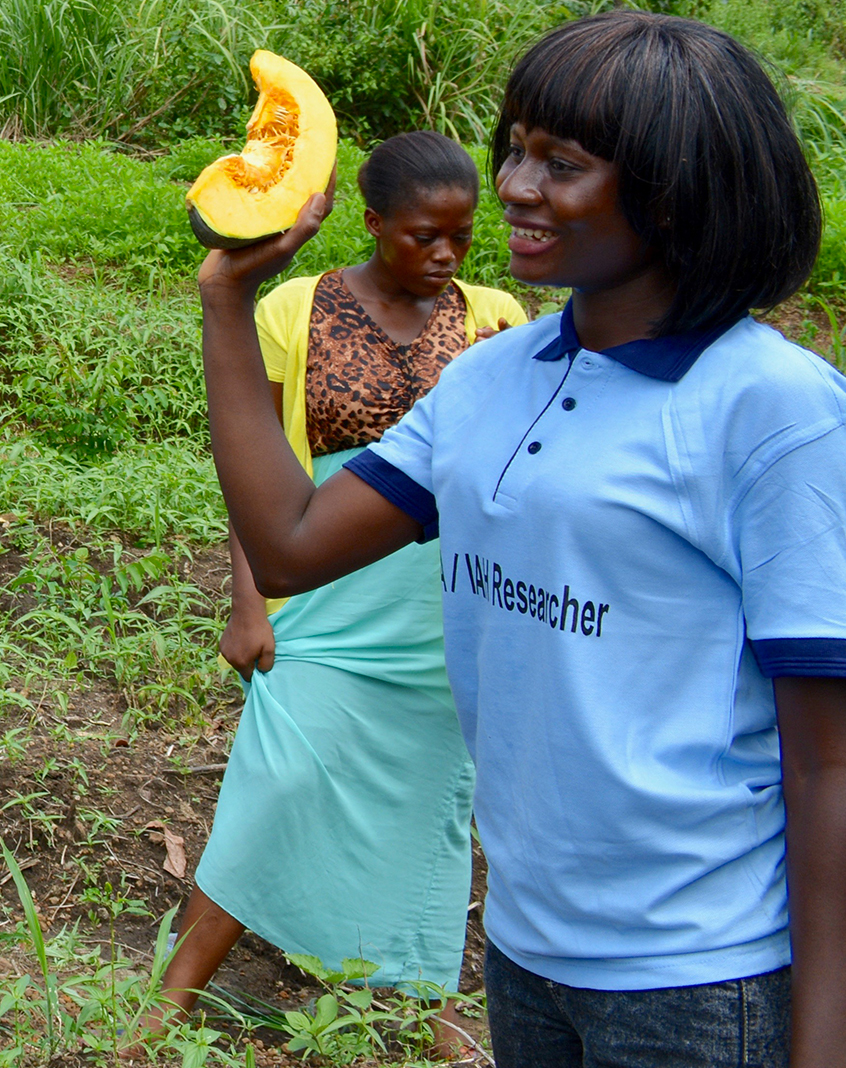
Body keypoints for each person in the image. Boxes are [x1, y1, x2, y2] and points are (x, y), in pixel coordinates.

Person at [197, 12, 846, 1068]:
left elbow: (831, 766)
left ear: (674, 190)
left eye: (563, 163)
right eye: (518, 148)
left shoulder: (774, 413)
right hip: (525, 953)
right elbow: (291, 547)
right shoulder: (492, 378)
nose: (514, 186)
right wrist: (229, 307)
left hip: (701, 973)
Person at [128, 130, 526, 1056]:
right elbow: (254, 474)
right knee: (282, 776)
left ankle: (425, 1003)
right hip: (324, 589)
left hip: (441, 604)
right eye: (424, 235)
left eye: (462, 238)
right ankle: (173, 998)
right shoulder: (299, 308)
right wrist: (248, 602)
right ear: (374, 222)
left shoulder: (498, 319)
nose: (444, 256)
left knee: (431, 801)